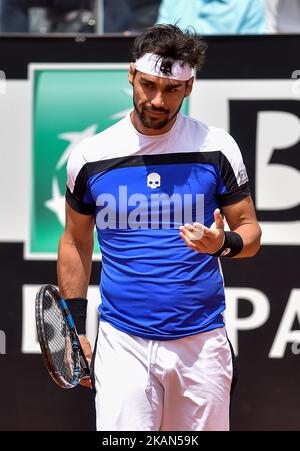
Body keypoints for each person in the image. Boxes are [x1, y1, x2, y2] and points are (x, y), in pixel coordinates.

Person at [58, 24, 261, 431]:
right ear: (131, 74)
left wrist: (223, 243)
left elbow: (250, 232)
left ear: (189, 87)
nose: (156, 100)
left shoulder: (216, 147)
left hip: (201, 343)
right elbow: (76, 241)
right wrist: (74, 329)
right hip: (122, 342)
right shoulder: (90, 156)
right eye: (148, 84)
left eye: (171, 89)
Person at [156, 0, 265, 35]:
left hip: (228, 77)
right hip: (175, 78)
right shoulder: (173, 2)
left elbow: (249, 52)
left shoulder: (253, 3)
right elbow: (159, 42)